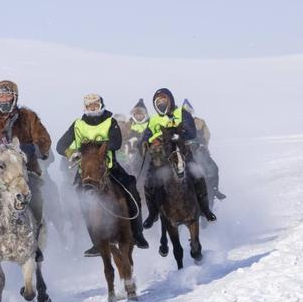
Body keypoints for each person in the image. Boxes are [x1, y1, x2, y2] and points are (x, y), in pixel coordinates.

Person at [56, 93, 149, 257]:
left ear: (101, 106)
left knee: (132, 187)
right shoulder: (78, 125)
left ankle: (138, 233)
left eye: (95, 105)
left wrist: (96, 149)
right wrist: (72, 152)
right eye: (89, 106)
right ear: (85, 108)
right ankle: (96, 243)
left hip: (109, 168)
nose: (93, 109)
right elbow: (60, 145)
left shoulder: (110, 121)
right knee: (83, 203)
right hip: (85, 172)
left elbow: (116, 142)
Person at [0, 80, 52, 261]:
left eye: (7, 95)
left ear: (14, 97)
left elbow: (44, 140)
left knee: (37, 199)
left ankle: (36, 242)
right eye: (0, 96)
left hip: (24, 170)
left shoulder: (29, 117)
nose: (4, 99)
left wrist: (31, 149)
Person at [141, 88, 217, 228]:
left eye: (164, 100)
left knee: (198, 174)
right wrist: (148, 142)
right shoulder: (153, 120)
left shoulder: (182, 113)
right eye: (158, 101)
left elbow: (191, 132)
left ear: (170, 100)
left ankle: (205, 210)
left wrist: (175, 135)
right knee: (148, 182)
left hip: (182, 153)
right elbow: (146, 137)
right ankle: (152, 214)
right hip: (161, 157)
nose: (161, 103)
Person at [182, 99, 226, 201]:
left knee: (213, 168)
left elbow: (207, 135)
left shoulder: (199, 122)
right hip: (184, 151)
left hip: (199, 150)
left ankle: (214, 189)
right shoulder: (177, 123)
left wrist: (203, 144)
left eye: (188, 111)